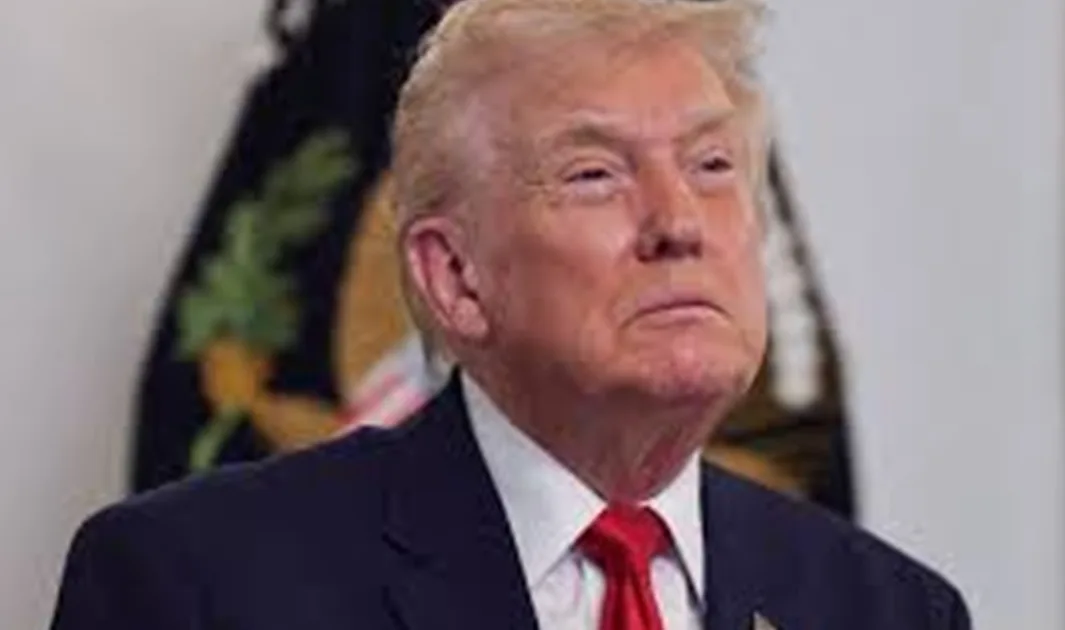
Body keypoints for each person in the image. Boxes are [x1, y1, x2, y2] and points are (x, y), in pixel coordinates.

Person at [51, 1, 971, 628]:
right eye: (594, 174)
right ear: (454, 276)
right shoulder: (199, 587)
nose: (681, 222)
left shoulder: (889, 611)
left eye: (712, 166)